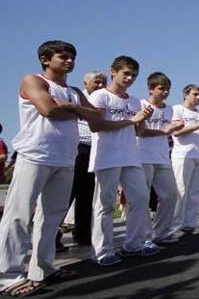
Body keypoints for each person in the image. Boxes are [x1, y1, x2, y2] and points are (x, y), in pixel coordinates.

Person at [0, 41, 101, 296]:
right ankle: (8, 275)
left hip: (64, 159)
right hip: (35, 155)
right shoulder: (32, 81)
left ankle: (42, 268)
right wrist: (76, 110)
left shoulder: (75, 90)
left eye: (72, 57)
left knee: (51, 218)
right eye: (63, 57)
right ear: (46, 59)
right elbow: (47, 109)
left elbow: (97, 117)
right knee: (19, 215)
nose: (69, 61)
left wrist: (69, 106)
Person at [89, 56, 158, 266]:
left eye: (134, 75)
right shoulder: (100, 96)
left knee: (139, 200)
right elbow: (96, 126)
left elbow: (140, 130)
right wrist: (132, 120)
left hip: (131, 156)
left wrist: (142, 119)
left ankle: (133, 245)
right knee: (105, 205)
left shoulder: (135, 101)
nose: (129, 78)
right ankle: (102, 251)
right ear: (113, 72)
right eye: (126, 73)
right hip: (107, 156)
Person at [137, 72, 185, 244]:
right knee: (142, 198)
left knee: (170, 195)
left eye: (167, 89)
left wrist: (173, 128)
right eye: (161, 89)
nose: (165, 92)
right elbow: (140, 132)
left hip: (163, 156)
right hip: (143, 155)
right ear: (151, 89)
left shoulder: (170, 109)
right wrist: (165, 130)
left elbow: (170, 131)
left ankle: (161, 233)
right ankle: (143, 237)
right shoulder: (141, 105)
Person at [60, 71, 106, 247]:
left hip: (95, 149)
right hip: (78, 147)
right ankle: (55, 235)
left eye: (103, 82)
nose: (100, 85)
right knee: (69, 191)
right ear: (86, 83)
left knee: (87, 194)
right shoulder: (78, 98)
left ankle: (83, 234)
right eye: (96, 82)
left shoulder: (102, 100)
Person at [170, 84, 199, 235]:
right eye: (195, 94)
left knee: (196, 191)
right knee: (181, 191)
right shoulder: (177, 109)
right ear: (185, 94)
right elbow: (176, 132)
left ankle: (190, 224)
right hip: (183, 155)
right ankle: (175, 227)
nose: (198, 98)